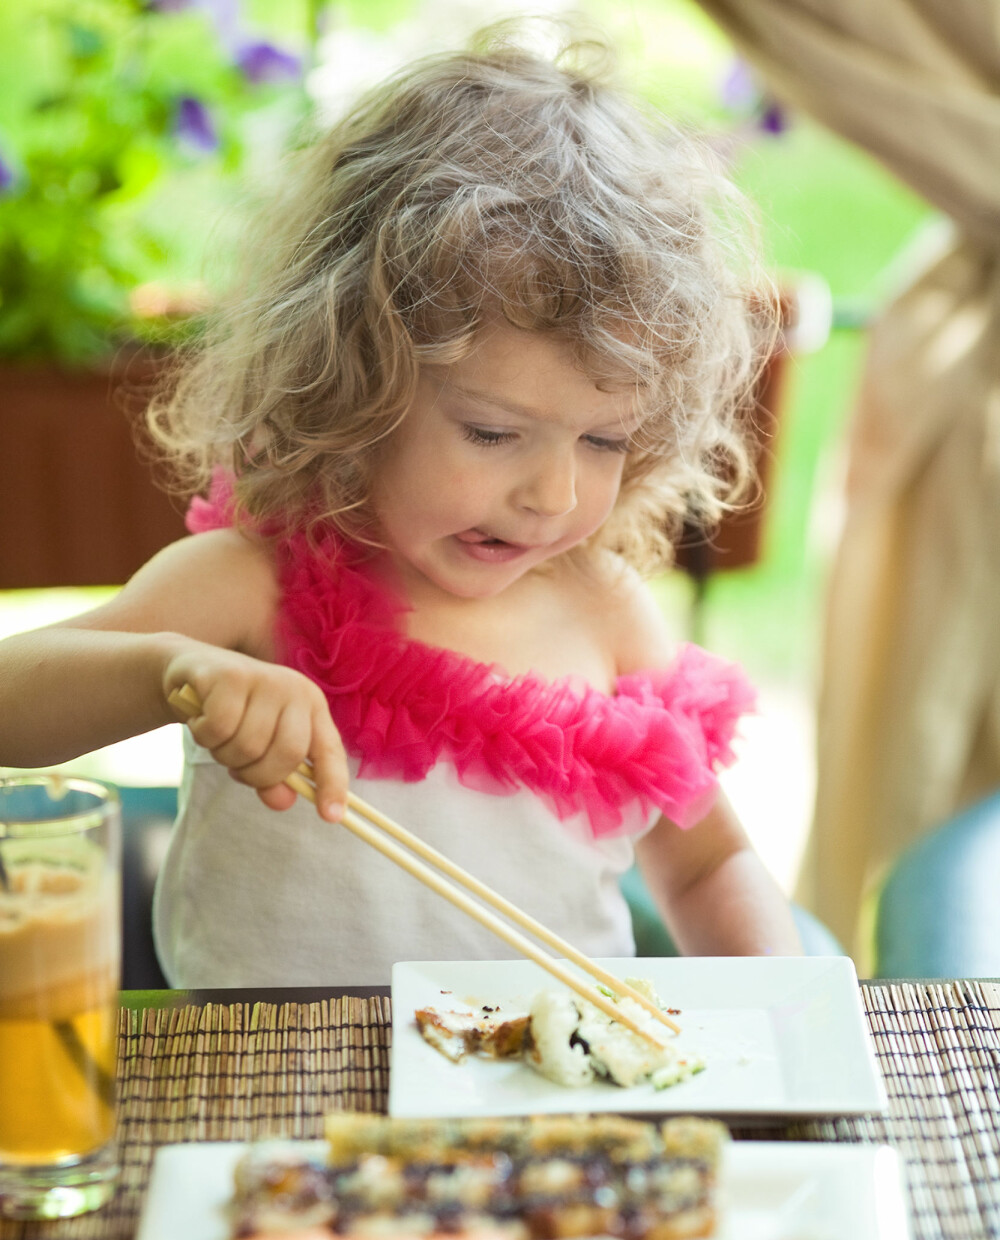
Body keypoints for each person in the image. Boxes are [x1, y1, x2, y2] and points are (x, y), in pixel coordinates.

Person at [0, 26, 802, 984]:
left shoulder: (605, 613)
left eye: (604, 442)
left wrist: (781, 1008)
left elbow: (710, 861)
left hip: (543, 1100)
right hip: (272, 1091)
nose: (552, 495)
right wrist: (171, 673)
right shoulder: (256, 586)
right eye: (493, 434)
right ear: (355, 384)